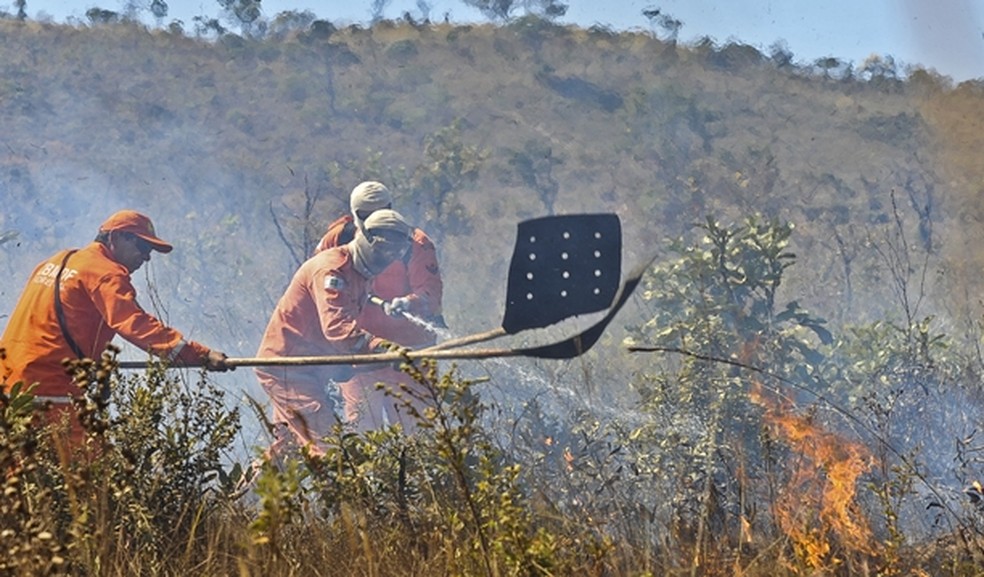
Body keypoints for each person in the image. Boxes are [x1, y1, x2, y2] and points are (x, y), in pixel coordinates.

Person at [0, 209, 232, 445]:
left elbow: (54, 324)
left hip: (9, 381)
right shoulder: (105, 273)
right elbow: (134, 324)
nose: (146, 257)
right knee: (92, 473)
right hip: (47, 387)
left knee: (19, 471)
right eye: (142, 247)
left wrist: (95, 365)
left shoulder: (56, 262)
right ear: (115, 238)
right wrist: (200, 355)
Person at [255, 208, 414, 457]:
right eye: (383, 249)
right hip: (288, 367)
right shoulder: (332, 270)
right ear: (366, 237)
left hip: (307, 367)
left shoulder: (360, 272)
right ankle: (346, 497)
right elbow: (338, 329)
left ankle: (242, 497)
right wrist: (384, 348)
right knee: (331, 452)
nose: (388, 258)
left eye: (396, 252)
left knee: (288, 452)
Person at [315, 181, 443, 433]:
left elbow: (431, 293)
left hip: (411, 355)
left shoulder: (416, 243)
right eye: (366, 215)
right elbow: (317, 282)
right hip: (361, 353)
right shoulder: (337, 239)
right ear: (354, 214)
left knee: (418, 431)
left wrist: (409, 303)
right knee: (362, 430)